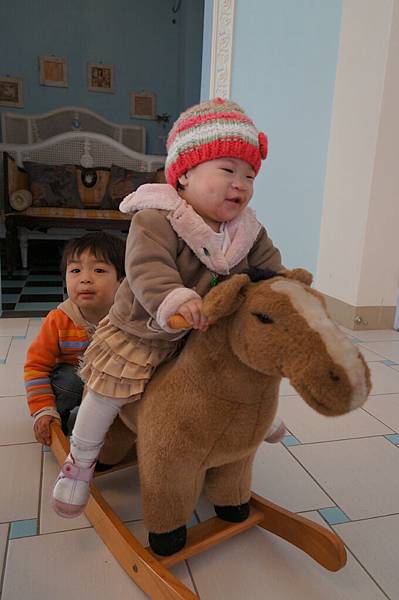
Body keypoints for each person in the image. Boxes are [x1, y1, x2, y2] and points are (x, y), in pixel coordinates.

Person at [52, 97, 287, 519]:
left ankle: (255, 415)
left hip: (205, 330)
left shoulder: (246, 229)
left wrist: (286, 292)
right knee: (104, 393)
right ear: (184, 176)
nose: (241, 184)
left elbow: (269, 268)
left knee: (241, 366)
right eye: (228, 171)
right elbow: (146, 269)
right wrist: (174, 299)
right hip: (146, 327)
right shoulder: (157, 219)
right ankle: (80, 461)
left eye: (250, 175)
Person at [25, 232, 126, 446]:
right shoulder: (59, 320)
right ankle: (56, 417)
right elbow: (36, 367)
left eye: (99, 270)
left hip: (113, 379)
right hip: (74, 378)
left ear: (122, 282)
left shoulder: (127, 317)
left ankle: (118, 425)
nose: (85, 278)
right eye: (75, 270)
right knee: (67, 382)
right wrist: (43, 409)